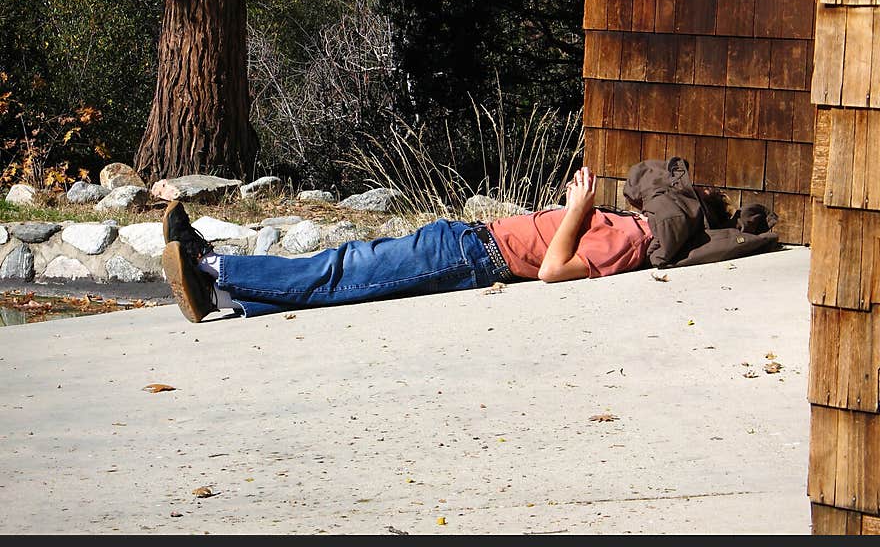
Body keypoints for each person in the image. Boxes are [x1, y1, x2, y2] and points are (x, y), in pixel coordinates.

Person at [160, 166, 654, 322]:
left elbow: (551, 270)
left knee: (345, 268)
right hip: (466, 240)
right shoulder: (629, 224)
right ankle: (222, 297)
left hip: (475, 256)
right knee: (354, 278)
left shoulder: (632, 238)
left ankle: (210, 264)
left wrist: (578, 209)